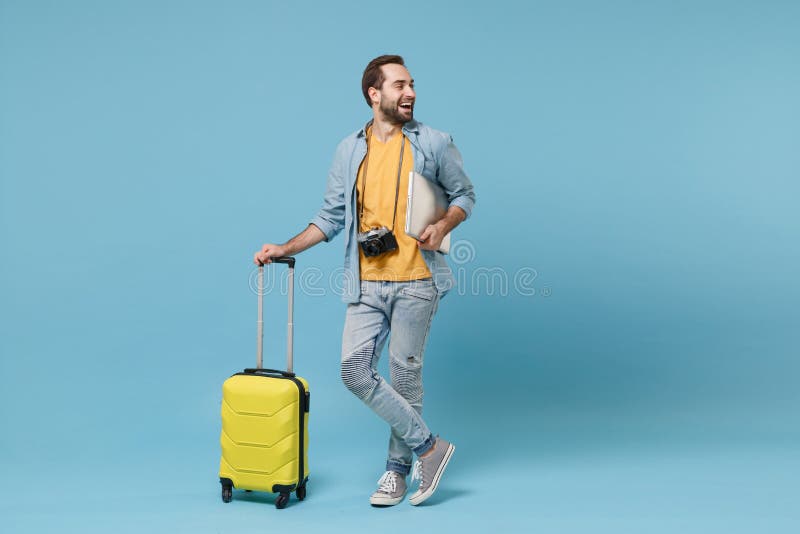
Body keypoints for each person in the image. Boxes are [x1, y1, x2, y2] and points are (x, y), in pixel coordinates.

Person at [253, 54, 475, 506]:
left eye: (412, 84)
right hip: (367, 282)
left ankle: (396, 471)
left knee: (405, 378)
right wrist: (284, 248)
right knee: (354, 371)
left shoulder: (434, 142)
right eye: (399, 85)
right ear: (374, 94)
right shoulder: (350, 149)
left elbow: (465, 195)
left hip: (418, 279)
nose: (410, 93)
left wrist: (444, 225)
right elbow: (330, 217)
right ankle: (430, 448)